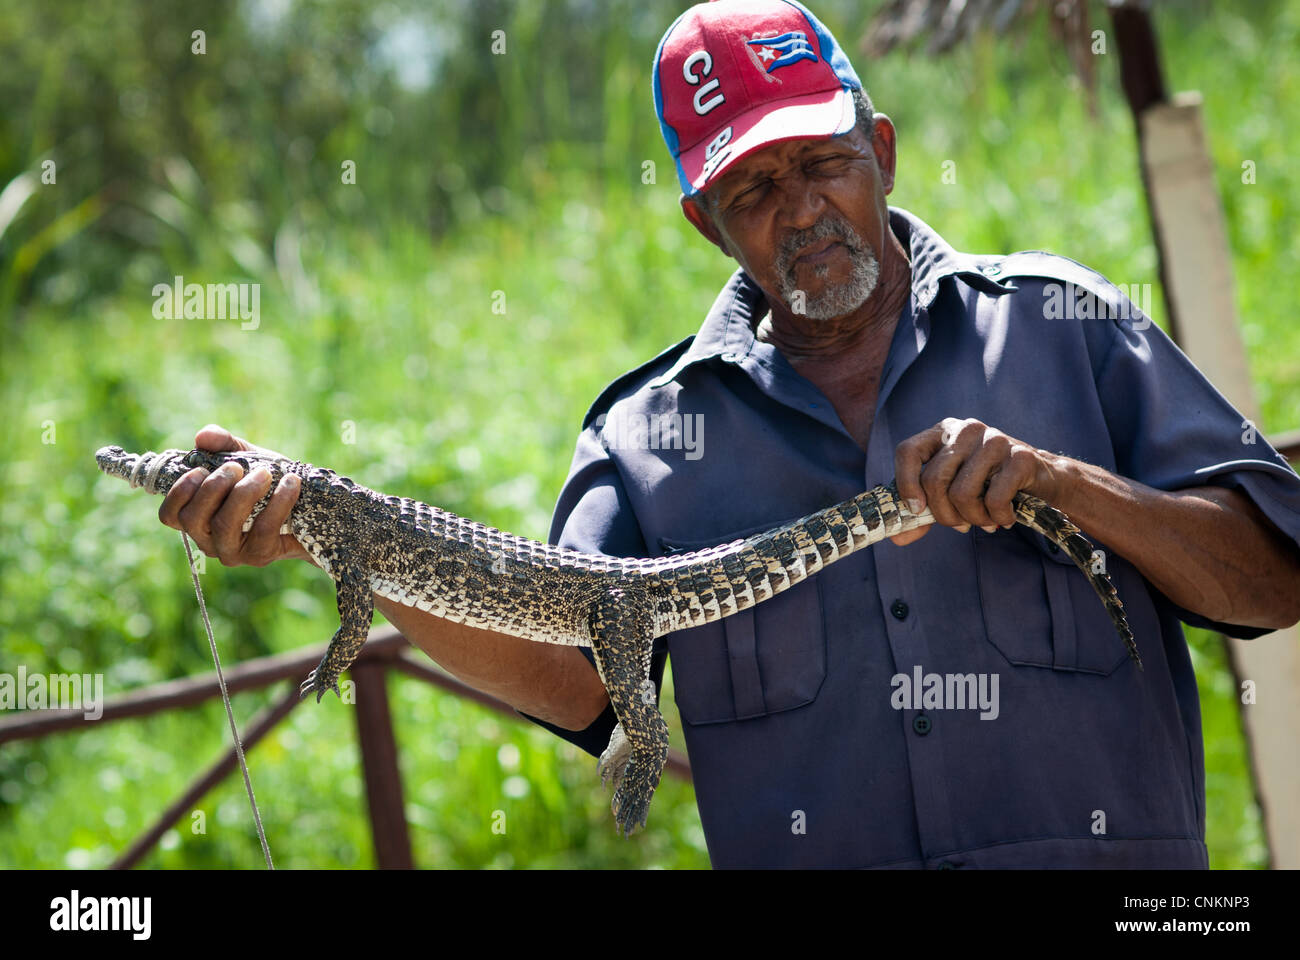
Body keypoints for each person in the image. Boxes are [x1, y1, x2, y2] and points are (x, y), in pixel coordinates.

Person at [161, 0, 1300, 868]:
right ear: (704, 222)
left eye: (821, 163)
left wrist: (1069, 485)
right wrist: (323, 527)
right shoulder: (643, 439)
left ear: (884, 152)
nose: (800, 209)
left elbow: (1271, 582)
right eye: (752, 189)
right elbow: (576, 689)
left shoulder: (1064, 326)